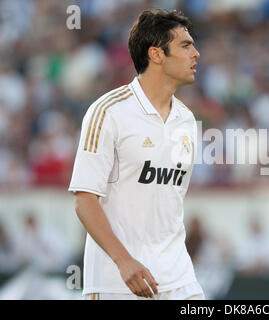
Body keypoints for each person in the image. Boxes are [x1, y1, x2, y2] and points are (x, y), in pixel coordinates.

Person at [68, 9, 203, 300]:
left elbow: (170, 201)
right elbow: (84, 200)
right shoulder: (108, 112)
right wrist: (123, 261)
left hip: (179, 281)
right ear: (156, 54)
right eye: (185, 45)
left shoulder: (187, 121)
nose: (196, 54)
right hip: (117, 283)